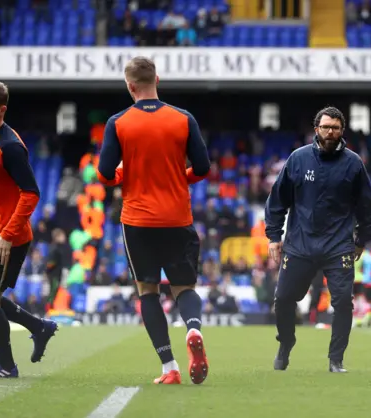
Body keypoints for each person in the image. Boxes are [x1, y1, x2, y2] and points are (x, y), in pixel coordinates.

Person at [96, 56, 211, 385]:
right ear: (157, 80)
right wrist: (178, 178)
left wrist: (124, 176)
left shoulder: (118, 122)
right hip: (177, 216)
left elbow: (104, 174)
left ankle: (169, 368)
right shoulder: (183, 118)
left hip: (137, 220)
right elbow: (202, 168)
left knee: (147, 291)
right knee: (184, 287)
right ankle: (192, 327)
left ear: (130, 86)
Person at [265, 106, 371, 373]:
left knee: (342, 301)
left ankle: (336, 359)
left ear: (342, 131)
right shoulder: (298, 159)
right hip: (300, 244)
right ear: (316, 129)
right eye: (326, 127)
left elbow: (367, 207)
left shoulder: (353, 163)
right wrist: (273, 236)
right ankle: (285, 344)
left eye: (335, 128)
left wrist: (361, 239)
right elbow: (277, 200)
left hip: (338, 245)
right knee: (282, 299)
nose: (330, 132)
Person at [0, 80, 58, 379]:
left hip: (8, 239)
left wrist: (6, 234)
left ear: (1, 111)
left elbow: (31, 193)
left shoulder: (10, 147)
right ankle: (38, 326)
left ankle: (6, 365)